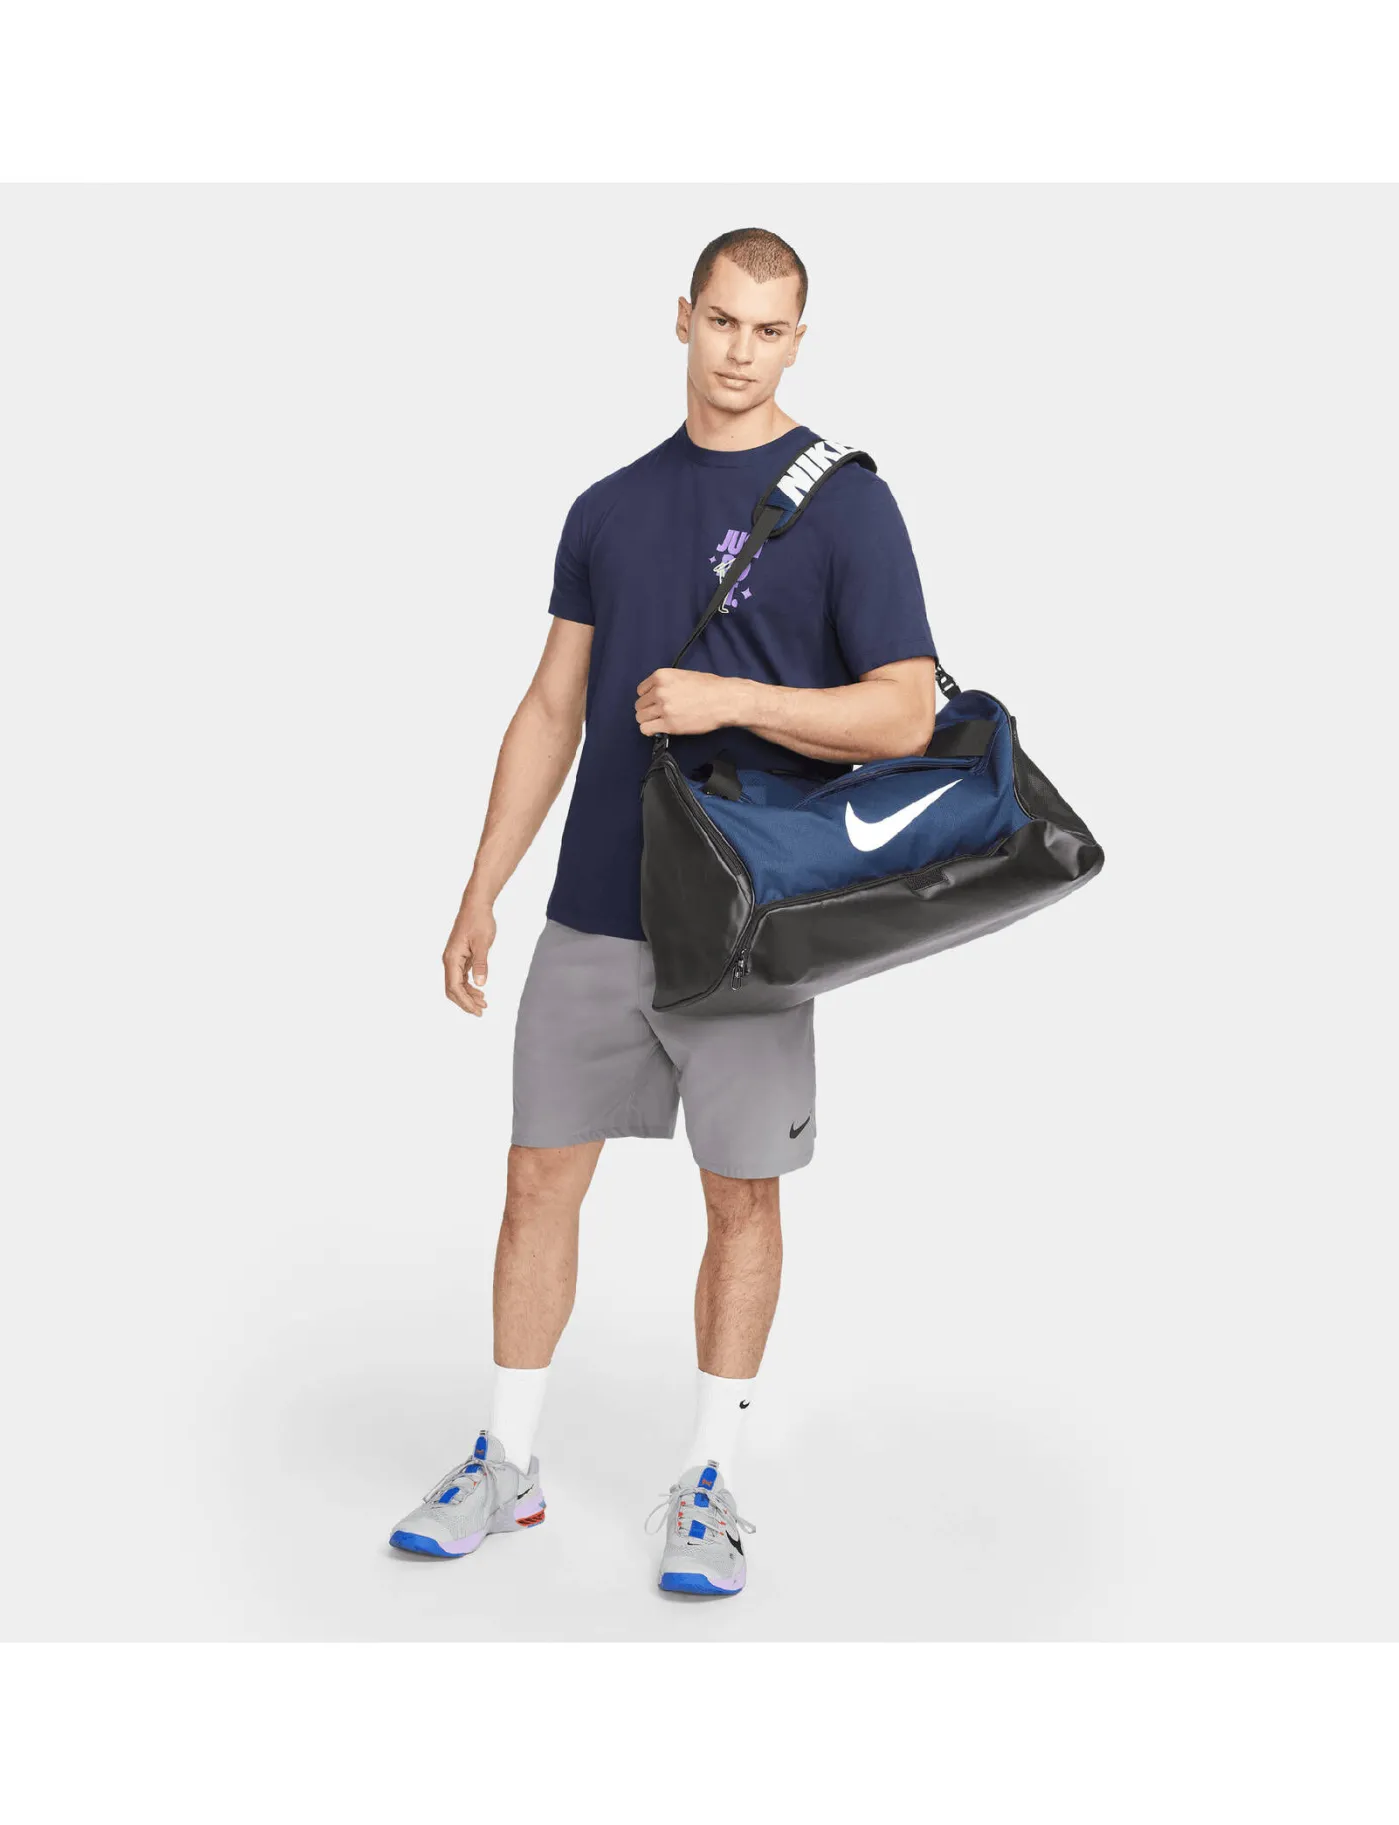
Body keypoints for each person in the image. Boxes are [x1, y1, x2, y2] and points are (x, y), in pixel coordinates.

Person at [387, 227, 937, 1595]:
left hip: (749, 924)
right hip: (594, 903)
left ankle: (711, 1481)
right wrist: (481, 886)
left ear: (799, 340)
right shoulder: (608, 507)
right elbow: (552, 706)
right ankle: (507, 1461)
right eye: (724, 321)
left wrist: (734, 700)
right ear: (682, 317)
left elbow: (907, 711)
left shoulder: (848, 507)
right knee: (536, 1179)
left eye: (771, 329)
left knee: (740, 1197)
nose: (743, 352)